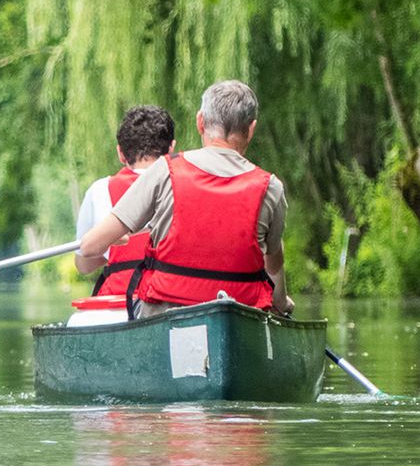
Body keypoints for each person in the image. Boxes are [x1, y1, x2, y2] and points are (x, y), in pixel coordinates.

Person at [79, 80, 293, 318]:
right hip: (238, 317)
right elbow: (273, 265)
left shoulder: (165, 170)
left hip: (165, 316)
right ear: (251, 129)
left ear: (200, 122)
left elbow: (89, 247)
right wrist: (281, 303)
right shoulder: (271, 188)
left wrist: (114, 240)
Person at [74, 105, 176, 296]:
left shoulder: (99, 190)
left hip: (118, 302)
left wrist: (106, 246)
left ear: (120, 153)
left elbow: (84, 265)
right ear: (171, 149)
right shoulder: (185, 186)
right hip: (170, 297)